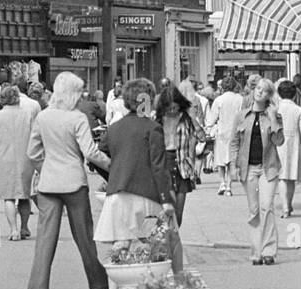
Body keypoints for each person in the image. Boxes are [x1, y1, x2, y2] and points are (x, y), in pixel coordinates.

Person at [26, 70, 110, 289]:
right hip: (74, 182)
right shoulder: (77, 118)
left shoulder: (43, 117)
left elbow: (32, 153)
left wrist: (46, 169)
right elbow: (91, 152)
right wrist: (112, 165)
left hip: (49, 184)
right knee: (84, 238)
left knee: (44, 239)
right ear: (72, 94)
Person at [94, 78, 180, 276]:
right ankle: (154, 285)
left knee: (120, 244)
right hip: (145, 193)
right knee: (155, 244)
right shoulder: (152, 128)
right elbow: (158, 166)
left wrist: (113, 174)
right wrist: (166, 199)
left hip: (117, 193)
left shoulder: (114, 128)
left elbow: (98, 155)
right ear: (148, 100)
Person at [230, 76, 285, 267]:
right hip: (249, 169)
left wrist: (273, 120)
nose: (259, 91)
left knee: (267, 206)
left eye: (264, 90)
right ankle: (256, 252)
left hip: (268, 168)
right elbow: (234, 142)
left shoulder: (274, 115)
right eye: (258, 88)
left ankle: (269, 251)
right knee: (254, 211)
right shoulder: (242, 115)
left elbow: (279, 141)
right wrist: (232, 167)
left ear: (269, 95)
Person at [0, 84, 36, 240]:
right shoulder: (28, 115)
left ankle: (14, 230)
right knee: (24, 195)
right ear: (17, 98)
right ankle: (24, 227)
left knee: (9, 197)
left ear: (2, 99)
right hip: (26, 159)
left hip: (4, 160)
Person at [155, 79, 203, 227]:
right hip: (164, 164)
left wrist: (193, 118)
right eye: (169, 108)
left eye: (175, 107)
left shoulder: (186, 118)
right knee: (165, 211)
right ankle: (166, 244)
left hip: (182, 165)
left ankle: (172, 241)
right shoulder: (157, 119)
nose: (172, 111)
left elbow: (202, 137)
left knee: (178, 214)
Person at [276, 79, 301, 218]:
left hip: (278, 145)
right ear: (294, 94)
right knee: (291, 178)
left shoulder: (275, 109)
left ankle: (285, 206)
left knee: (282, 177)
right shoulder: (298, 110)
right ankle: (288, 205)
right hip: (294, 145)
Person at [206, 74, 242, 195]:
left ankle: (222, 183)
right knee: (231, 159)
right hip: (235, 132)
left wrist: (209, 128)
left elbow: (211, 118)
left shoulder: (219, 100)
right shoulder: (239, 99)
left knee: (221, 159)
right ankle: (229, 185)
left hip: (222, 131)